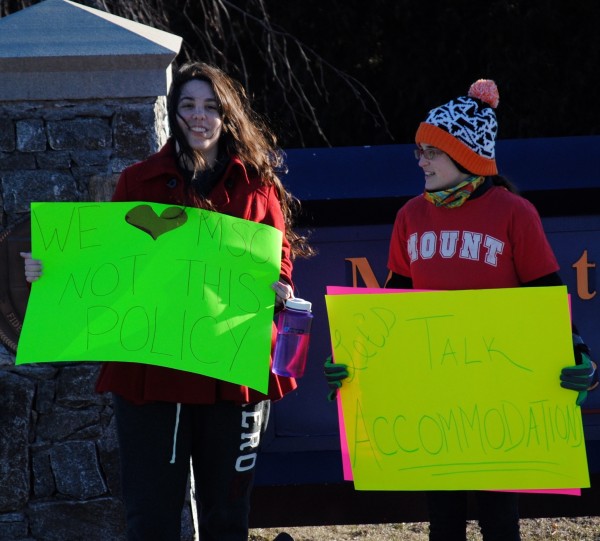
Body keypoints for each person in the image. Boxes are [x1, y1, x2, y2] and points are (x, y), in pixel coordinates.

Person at [21, 61, 313, 541]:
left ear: (227, 115)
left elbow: (277, 261)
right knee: (151, 520)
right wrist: (50, 272)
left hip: (231, 373)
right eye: (188, 105)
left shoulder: (257, 186)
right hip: (152, 377)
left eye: (210, 107)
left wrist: (281, 289)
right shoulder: (137, 182)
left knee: (227, 519)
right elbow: (108, 263)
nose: (199, 117)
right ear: (174, 113)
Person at [324, 79, 597, 541]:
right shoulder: (410, 216)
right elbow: (393, 309)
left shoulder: (514, 212)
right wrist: (357, 362)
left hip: (499, 398)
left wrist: (578, 352)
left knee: (499, 522)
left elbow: (547, 295)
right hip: (435, 399)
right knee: (443, 524)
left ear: (466, 156)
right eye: (419, 151)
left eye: (431, 151)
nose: (420, 161)